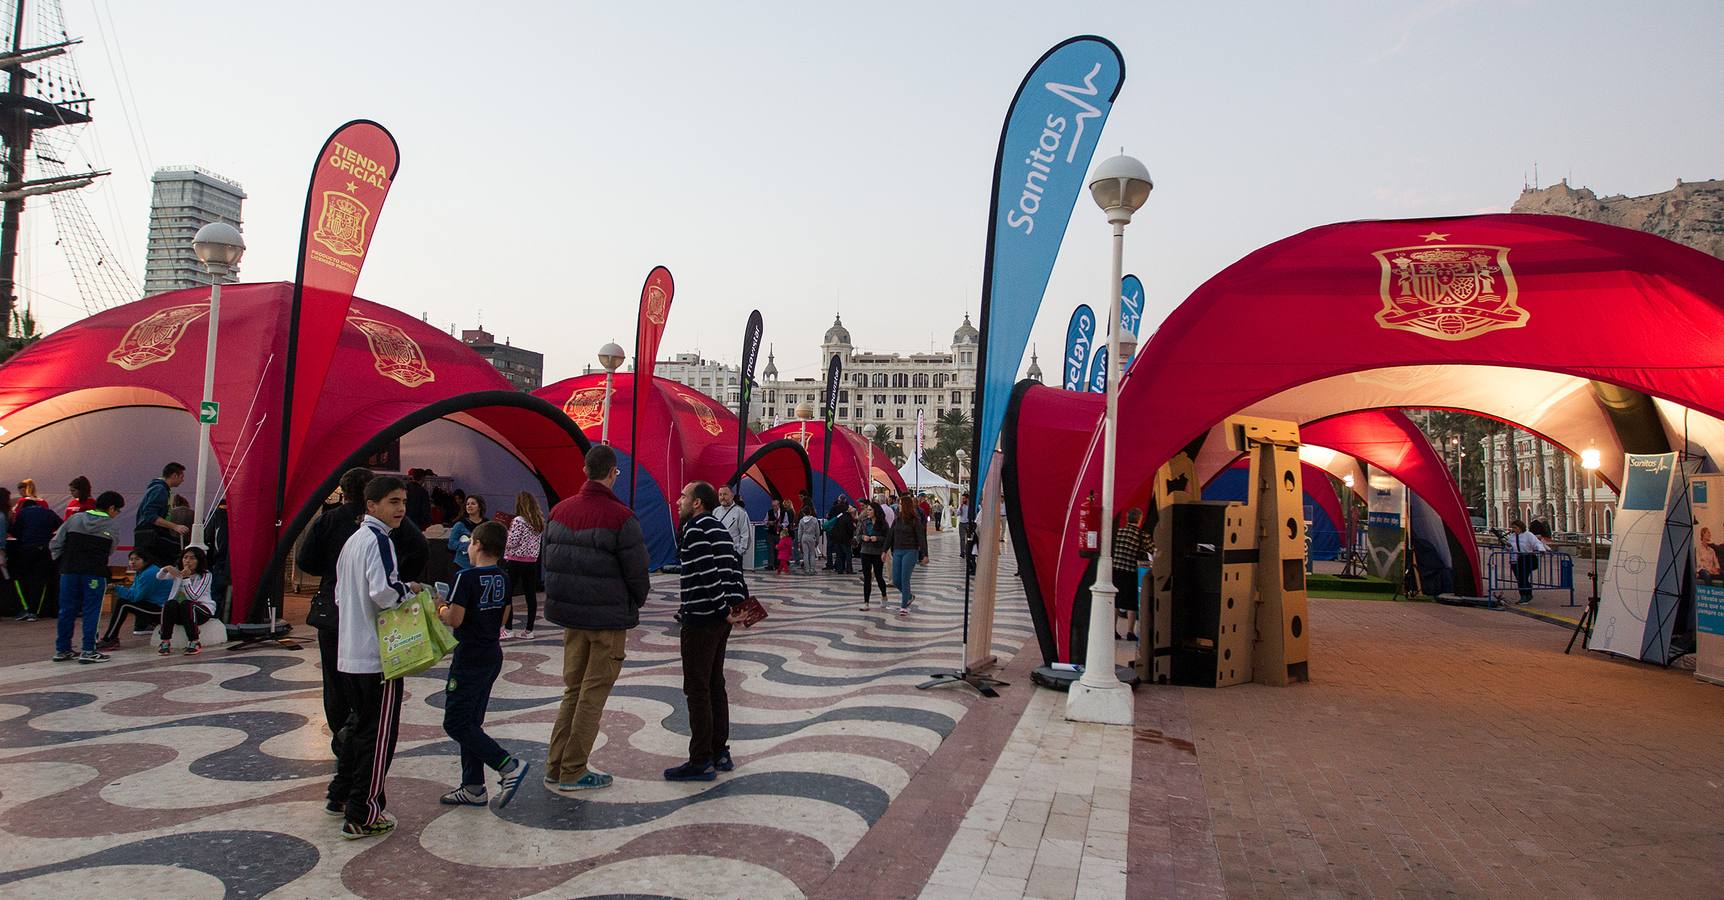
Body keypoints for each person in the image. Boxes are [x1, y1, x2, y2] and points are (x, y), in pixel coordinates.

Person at [296, 466, 429, 758]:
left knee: (335, 680)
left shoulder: (334, 522)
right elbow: (417, 549)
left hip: (334, 610)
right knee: (373, 696)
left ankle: (343, 738)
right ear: (372, 498)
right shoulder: (380, 532)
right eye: (396, 501)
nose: (400, 508)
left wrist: (331, 574)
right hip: (374, 618)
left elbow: (306, 559)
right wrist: (403, 584)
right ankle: (359, 744)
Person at [542, 445, 650, 793]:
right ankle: (574, 769)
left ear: (584, 470)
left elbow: (550, 563)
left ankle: (556, 764)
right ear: (612, 473)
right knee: (593, 692)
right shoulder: (621, 517)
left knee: (573, 689)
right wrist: (636, 601)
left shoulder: (559, 511)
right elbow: (637, 572)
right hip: (606, 619)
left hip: (572, 617)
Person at [327, 475, 421, 840]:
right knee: (378, 736)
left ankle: (340, 794)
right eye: (393, 502)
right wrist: (408, 591)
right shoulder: (379, 540)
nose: (400, 509)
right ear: (372, 505)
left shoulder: (353, 541)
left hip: (350, 652)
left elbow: (340, 594)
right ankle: (364, 812)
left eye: (402, 502)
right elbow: (383, 591)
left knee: (357, 728)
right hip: (376, 658)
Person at [435, 521, 530, 808]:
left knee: (455, 721)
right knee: (472, 721)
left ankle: (507, 765)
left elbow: (455, 619)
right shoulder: (503, 576)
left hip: (469, 655)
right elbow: (505, 615)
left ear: (476, 544)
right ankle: (473, 786)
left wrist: (439, 606)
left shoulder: (466, 577)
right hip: (491, 652)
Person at [665, 481, 746, 782]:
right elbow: (732, 570)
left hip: (701, 618)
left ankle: (700, 759)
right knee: (715, 684)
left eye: (683, 496)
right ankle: (719, 751)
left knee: (697, 688)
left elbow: (707, 573)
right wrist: (734, 608)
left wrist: (723, 608)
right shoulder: (719, 528)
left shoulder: (696, 529)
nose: (678, 500)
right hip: (720, 622)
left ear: (697, 502)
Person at [49, 490, 123, 663]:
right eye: (117, 510)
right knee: (91, 611)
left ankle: (62, 650)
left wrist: (63, 562)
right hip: (94, 573)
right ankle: (88, 650)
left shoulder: (75, 519)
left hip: (69, 571)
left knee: (66, 610)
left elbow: (55, 542)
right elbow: (111, 549)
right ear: (111, 508)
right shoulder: (111, 526)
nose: (117, 514)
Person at [97, 550, 171, 649]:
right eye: (131, 559)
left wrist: (116, 588)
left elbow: (136, 596)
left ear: (145, 561)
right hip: (153, 605)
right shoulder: (141, 572)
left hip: (162, 611)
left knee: (123, 604)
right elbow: (133, 592)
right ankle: (111, 637)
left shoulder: (150, 573)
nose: (133, 562)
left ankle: (110, 638)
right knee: (123, 602)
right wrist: (117, 588)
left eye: (137, 559)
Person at [156, 546, 216, 655]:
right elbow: (160, 576)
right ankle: (165, 641)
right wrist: (166, 568)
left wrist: (186, 579)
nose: (188, 561)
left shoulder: (206, 575)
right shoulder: (179, 573)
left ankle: (194, 641)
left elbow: (193, 597)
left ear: (199, 561)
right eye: (185, 557)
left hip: (201, 611)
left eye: (192, 558)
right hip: (182, 613)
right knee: (170, 603)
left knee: (187, 604)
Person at [10, 496, 62, 621]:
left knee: (24, 579)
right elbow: (61, 526)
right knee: (40, 580)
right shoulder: (49, 512)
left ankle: (26, 609)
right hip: (45, 549)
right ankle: (36, 612)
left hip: (27, 549)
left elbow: (16, 531)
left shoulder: (23, 513)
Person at [503, 492, 546, 640]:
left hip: (515, 560)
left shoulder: (518, 521)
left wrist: (506, 537)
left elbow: (512, 541)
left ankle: (508, 628)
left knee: (508, 594)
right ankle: (529, 629)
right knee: (530, 595)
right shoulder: (538, 521)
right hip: (531, 562)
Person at [135, 463, 188, 566]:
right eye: (181, 477)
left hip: (146, 535)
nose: (183, 480)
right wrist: (175, 526)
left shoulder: (156, 488)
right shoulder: (160, 490)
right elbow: (150, 515)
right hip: (150, 536)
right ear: (174, 475)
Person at [884, 493, 928, 618]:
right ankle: (908, 596)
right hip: (897, 551)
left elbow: (921, 538)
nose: (899, 506)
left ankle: (904, 606)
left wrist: (925, 554)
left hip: (911, 551)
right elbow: (890, 536)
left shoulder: (915, 521)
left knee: (904, 578)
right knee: (896, 579)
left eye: (901, 504)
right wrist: (884, 550)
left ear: (906, 505)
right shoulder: (897, 520)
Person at [1112, 508, 1149, 641]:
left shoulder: (1118, 532)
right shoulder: (1141, 535)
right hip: (1130, 572)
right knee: (1131, 603)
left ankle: (1113, 631)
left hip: (1116, 570)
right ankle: (1130, 632)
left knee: (1116, 600)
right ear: (1139, 519)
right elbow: (1152, 549)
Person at [1505, 519, 1546, 606]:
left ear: (1520, 527)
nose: (1514, 530)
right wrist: (1508, 547)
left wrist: (1541, 549)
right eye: (1512, 528)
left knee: (1523, 577)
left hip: (1526, 558)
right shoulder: (1512, 536)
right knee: (1519, 578)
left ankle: (1525, 595)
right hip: (1515, 559)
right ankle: (1525, 594)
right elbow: (1508, 547)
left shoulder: (1528, 535)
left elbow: (1536, 543)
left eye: (1515, 528)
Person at [857, 502, 888, 611]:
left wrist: (877, 539)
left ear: (876, 511)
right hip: (865, 551)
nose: (868, 512)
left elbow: (887, 538)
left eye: (870, 510)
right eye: (867, 510)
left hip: (877, 552)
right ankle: (866, 602)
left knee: (879, 576)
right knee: (867, 577)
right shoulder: (864, 522)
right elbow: (858, 535)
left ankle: (884, 595)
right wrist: (862, 537)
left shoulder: (883, 523)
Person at [714, 484, 753, 569]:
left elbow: (746, 534)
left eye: (725, 494)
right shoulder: (715, 511)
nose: (722, 497)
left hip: (733, 554)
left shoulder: (740, 512)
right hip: (717, 554)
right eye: (720, 495)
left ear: (732, 495)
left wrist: (739, 552)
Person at [448, 494, 488, 573]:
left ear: (480, 507)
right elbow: (451, 544)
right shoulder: (460, 524)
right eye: (467, 504)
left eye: (473, 504)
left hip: (482, 564)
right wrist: (470, 545)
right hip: (463, 565)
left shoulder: (486, 524)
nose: (469, 506)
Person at [828, 501, 855, 576]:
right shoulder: (849, 518)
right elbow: (850, 530)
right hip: (845, 539)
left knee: (839, 554)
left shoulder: (840, 516)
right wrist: (851, 537)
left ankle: (840, 569)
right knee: (848, 554)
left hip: (837, 538)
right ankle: (849, 569)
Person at [796, 507, 821, 576]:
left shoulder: (801, 521)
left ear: (803, 513)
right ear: (810, 512)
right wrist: (817, 540)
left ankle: (807, 570)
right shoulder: (815, 520)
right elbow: (817, 531)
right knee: (812, 554)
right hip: (811, 537)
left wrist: (799, 540)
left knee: (805, 554)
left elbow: (799, 531)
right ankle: (812, 569)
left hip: (804, 537)